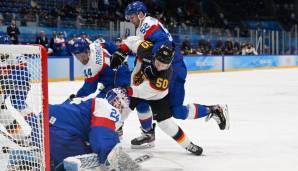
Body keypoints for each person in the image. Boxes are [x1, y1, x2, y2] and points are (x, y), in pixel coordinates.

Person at [112, 0, 230, 149]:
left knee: (177, 111)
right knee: (141, 100)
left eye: (132, 17)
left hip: (172, 68)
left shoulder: (148, 25)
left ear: (141, 14)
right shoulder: (143, 26)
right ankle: (148, 134)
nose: (130, 20)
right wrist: (123, 49)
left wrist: (154, 65)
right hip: (163, 66)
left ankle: (215, 109)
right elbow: (140, 44)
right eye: (128, 17)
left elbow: (164, 46)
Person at [123, 41, 204, 155]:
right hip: (136, 89)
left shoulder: (164, 77)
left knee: (165, 124)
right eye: (158, 62)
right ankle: (106, 136)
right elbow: (131, 42)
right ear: (154, 56)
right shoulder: (146, 50)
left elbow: (142, 92)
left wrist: (125, 91)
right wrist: (121, 50)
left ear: (170, 64)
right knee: (121, 111)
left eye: (164, 64)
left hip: (156, 96)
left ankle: (188, 145)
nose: (160, 66)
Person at [49, 88, 131, 171]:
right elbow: (102, 138)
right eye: (121, 106)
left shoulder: (87, 100)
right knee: (86, 163)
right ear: (116, 101)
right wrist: (115, 158)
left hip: (43, 122)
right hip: (60, 133)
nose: (120, 109)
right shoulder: (107, 107)